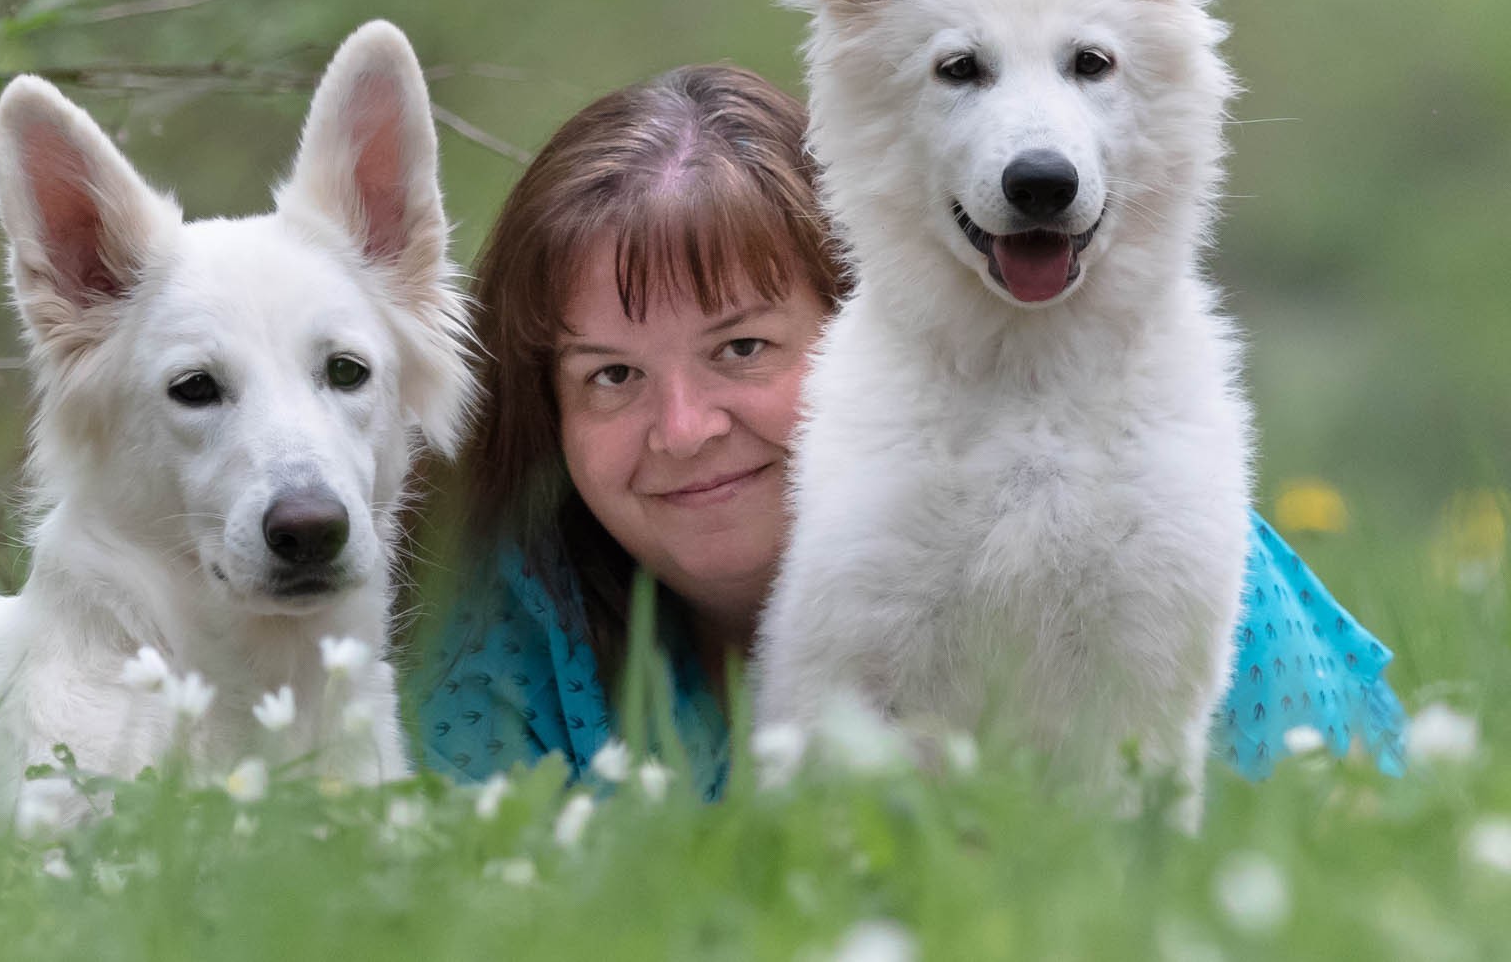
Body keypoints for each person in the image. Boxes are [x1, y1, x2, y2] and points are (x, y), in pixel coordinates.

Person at [416, 64, 1404, 797]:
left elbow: (1355, 856)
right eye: (611, 376)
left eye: (743, 349)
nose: (681, 429)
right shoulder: (510, 636)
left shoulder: (1153, 538)